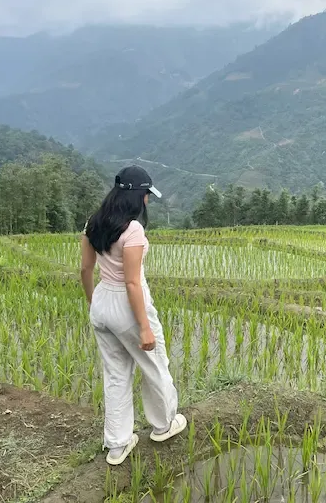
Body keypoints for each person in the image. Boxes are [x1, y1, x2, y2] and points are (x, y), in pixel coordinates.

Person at [80, 165, 186, 465]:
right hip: (127, 305)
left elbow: (86, 269)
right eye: (146, 196)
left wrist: (93, 303)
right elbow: (131, 281)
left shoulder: (94, 222)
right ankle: (164, 425)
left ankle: (117, 445)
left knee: (115, 374)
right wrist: (144, 327)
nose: (147, 201)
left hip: (101, 301)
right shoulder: (133, 229)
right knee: (154, 365)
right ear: (137, 197)